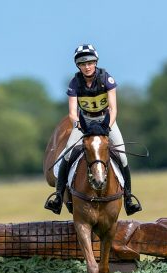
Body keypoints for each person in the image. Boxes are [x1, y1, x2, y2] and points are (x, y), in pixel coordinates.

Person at [44, 44, 142, 215]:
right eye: (83, 64)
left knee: (122, 155)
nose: (87, 66)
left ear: (95, 63)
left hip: (106, 120)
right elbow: (73, 113)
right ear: (78, 66)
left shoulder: (107, 80)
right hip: (84, 121)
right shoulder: (75, 83)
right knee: (67, 152)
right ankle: (58, 197)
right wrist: (80, 125)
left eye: (90, 63)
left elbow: (113, 109)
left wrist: (106, 126)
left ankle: (128, 198)